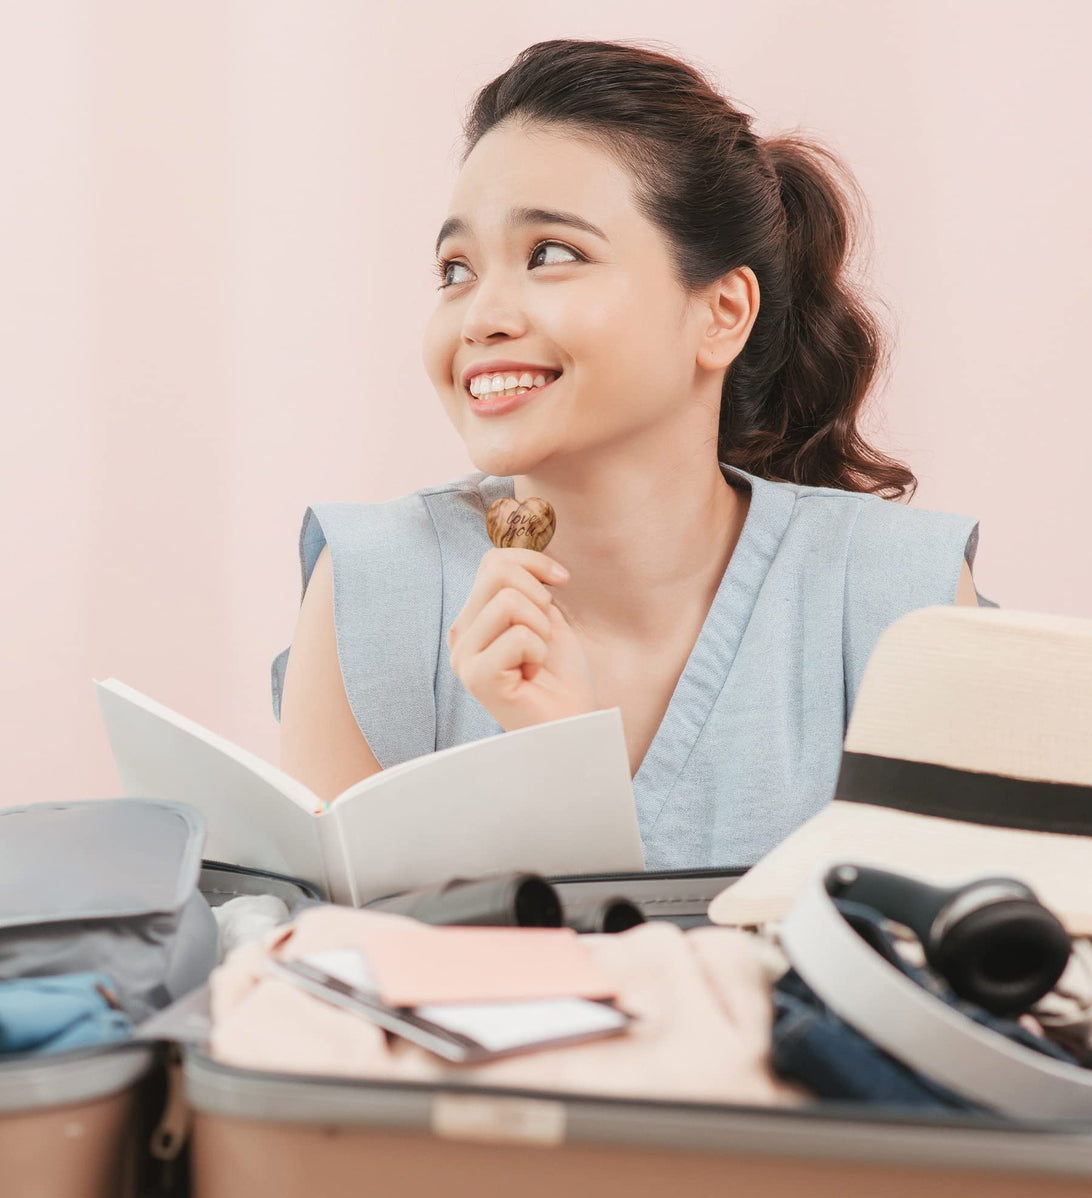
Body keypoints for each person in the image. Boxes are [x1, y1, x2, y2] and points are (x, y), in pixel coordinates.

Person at [273, 39, 992, 870]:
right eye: (456, 269)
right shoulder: (373, 594)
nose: (481, 318)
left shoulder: (901, 603)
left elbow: (965, 945)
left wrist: (569, 777)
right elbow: (332, 948)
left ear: (723, 313)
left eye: (551, 254)